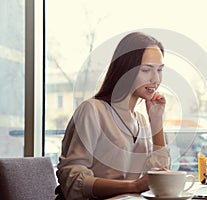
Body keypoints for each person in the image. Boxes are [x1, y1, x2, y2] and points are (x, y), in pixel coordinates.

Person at [56, 32, 170, 200]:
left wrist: (157, 122)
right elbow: (72, 179)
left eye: (159, 70)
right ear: (125, 70)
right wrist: (134, 186)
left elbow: (158, 179)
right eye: (146, 70)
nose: (155, 79)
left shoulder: (141, 120)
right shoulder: (92, 110)